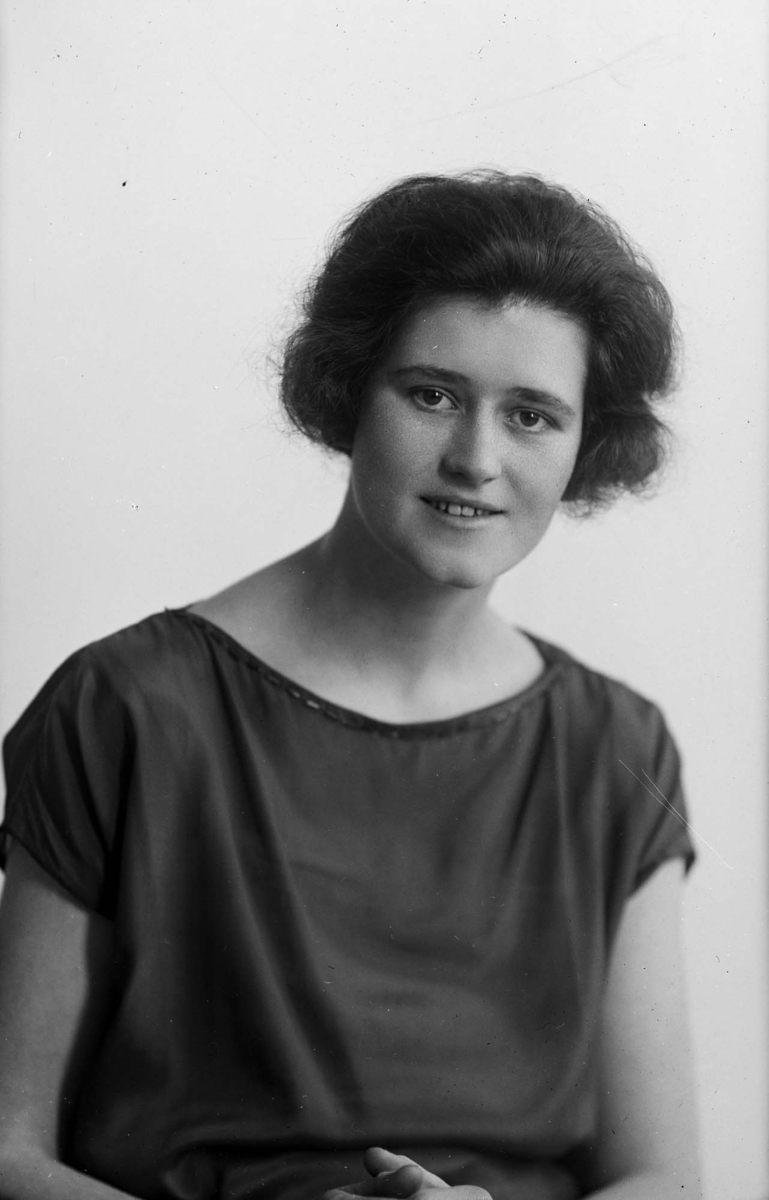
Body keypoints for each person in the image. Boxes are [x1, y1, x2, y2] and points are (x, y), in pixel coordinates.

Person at [0, 172, 700, 1200]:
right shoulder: (126, 705)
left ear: (585, 445)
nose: (475, 459)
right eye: (431, 395)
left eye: (531, 416)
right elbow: (8, 1153)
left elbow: (660, 1177)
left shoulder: (615, 748)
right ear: (346, 391)